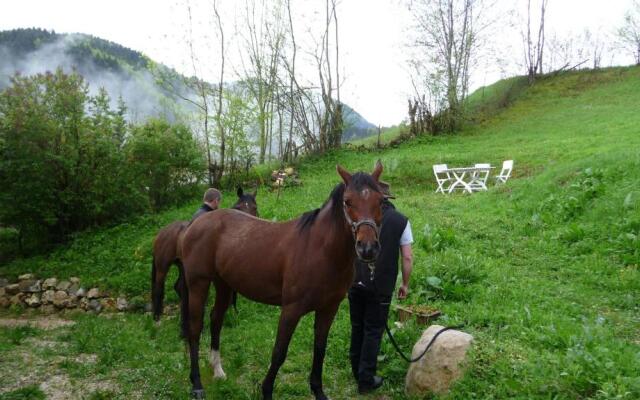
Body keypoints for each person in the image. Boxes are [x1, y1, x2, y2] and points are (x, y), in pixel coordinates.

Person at [348, 181, 413, 394]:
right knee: (373, 330)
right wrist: (405, 283)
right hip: (380, 286)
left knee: (357, 326)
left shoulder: (357, 220)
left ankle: (356, 371)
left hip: (355, 282)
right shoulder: (401, 221)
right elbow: (407, 257)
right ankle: (365, 380)